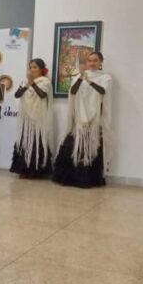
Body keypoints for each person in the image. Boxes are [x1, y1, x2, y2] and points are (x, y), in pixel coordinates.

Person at [53, 52, 112, 188]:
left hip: (94, 119)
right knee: (73, 146)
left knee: (91, 149)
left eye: (95, 61)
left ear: (101, 62)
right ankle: (71, 179)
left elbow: (103, 92)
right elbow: (73, 92)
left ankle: (88, 180)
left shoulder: (106, 77)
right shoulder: (79, 77)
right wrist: (80, 78)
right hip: (79, 118)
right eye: (89, 61)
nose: (91, 63)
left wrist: (90, 81)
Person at [10, 58, 54, 178]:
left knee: (37, 143)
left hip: (38, 118)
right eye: (31, 67)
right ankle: (24, 170)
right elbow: (17, 95)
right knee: (24, 142)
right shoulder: (25, 81)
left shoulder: (45, 82)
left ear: (41, 69)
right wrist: (26, 85)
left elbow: (42, 95)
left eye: (35, 67)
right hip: (26, 118)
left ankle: (36, 172)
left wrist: (32, 84)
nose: (32, 70)